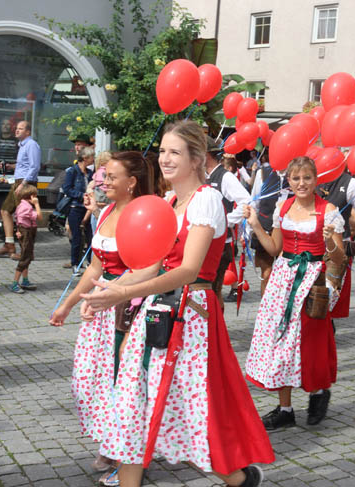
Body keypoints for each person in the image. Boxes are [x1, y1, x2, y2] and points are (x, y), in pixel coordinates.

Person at [83, 120, 274, 487]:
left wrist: (124, 294)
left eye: (175, 152)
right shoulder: (169, 201)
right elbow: (150, 263)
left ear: (196, 158)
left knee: (187, 408)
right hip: (158, 313)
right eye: (163, 151)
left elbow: (188, 270)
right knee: (132, 402)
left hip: (191, 317)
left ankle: (237, 478)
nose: (166, 159)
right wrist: (108, 293)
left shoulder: (206, 199)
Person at [50, 151, 162, 485]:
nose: (104, 182)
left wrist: (114, 295)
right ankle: (112, 443)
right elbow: (96, 266)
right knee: (91, 382)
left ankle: (126, 456)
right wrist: (68, 304)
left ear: (131, 182)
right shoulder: (109, 210)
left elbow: (148, 267)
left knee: (122, 383)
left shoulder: (145, 214)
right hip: (99, 307)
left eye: (111, 177)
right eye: (104, 176)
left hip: (127, 308)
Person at [244, 157, 346, 429]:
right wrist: (255, 224)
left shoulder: (329, 211)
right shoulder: (283, 206)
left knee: (309, 342)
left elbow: (339, 257)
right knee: (279, 342)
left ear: (316, 180)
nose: (302, 183)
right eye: (296, 178)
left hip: (312, 282)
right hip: (282, 281)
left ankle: (318, 391)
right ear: (288, 180)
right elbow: (275, 249)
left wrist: (328, 242)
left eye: (307, 178)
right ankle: (285, 408)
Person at [316, 166, 355, 320]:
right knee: (311, 294)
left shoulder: (352, 184)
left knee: (326, 295)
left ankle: (326, 328)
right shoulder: (311, 177)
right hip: (312, 246)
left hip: (338, 246)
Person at [205, 140, 251, 305]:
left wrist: (226, 220)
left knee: (213, 291)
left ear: (206, 155)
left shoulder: (225, 176)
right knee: (204, 291)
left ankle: (216, 328)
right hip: (203, 241)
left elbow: (247, 200)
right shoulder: (202, 176)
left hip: (220, 242)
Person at [0, 120, 41, 259]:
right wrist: (10, 166)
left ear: (28, 132)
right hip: (20, 181)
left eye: (21, 129)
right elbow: (24, 165)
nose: (17, 130)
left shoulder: (32, 145)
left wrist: (23, 184)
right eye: (17, 128)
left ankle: (26, 252)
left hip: (26, 183)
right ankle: (9, 244)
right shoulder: (22, 145)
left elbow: (34, 167)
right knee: (6, 211)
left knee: (23, 217)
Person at [249, 157, 289, 296]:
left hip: (287, 233)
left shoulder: (296, 174)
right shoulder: (263, 173)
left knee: (285, 275)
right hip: (265, 229)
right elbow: (254, 203)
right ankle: (266, 309)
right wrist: (248, 230)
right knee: (266, 273)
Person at [63, 145, 94, 275]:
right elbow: (67, 188)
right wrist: (81, 195)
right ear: (85, 158)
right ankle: (75, 263)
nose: (94, 159)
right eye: (92, 157)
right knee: (77, 238)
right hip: (76, 207)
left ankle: (90, 263)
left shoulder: (90, 173)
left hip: (88, 209)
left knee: (90, 237)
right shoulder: (72, 172)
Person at [10, 184, 42, 293]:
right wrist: (37, 204)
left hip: (26, 231)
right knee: (25, 257)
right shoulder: (26, 207)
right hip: (27, 232)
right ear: (31, 196)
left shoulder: (22, 205)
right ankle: (15, 283)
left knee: (28, 255)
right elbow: (40, 216)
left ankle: (25, 280)